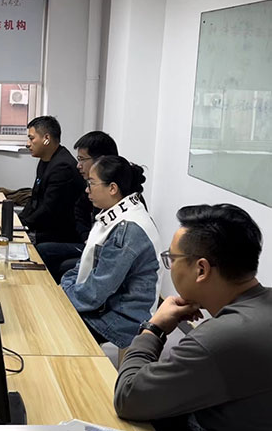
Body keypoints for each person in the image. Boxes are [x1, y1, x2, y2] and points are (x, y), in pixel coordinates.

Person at [115, 204, 272, 430]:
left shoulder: (220, 338)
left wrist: (153, 329)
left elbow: (128, 397)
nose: (169, 266)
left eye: (172, 258)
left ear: (201, 270)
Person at [61, 156, 163, 348]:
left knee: (54, 325)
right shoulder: (118, 212)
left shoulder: (128, 229)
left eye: (91, 183)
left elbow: (94, 294)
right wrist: (67, 287)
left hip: (122, 318)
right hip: (107, 304)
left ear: (113, 188)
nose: (87, 189)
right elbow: (85, 265)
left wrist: (64, 291)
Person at [36, 131, 118, 282]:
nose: (78, 165)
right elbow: (79, 210)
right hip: (90, 244)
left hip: (108, 254)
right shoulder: (92, 184)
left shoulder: (116, 190)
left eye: (82, 160)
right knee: (43, 249)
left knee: (64, 265)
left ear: (101, 160)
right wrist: (86, 236)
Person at [18, 116, 85, 244]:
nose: (28, 144)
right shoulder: (46, 160)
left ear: (46, 138)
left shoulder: (62, 167)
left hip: (59, 234)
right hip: (44, 227)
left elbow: (49, 209)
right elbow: (35, 198)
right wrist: (19, 220)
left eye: (31, 138)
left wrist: (23, 225)